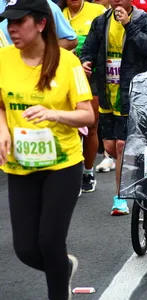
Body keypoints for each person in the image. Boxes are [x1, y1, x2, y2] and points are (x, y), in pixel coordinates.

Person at [0, 0, 94, 299]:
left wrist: (55, 114)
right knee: (25, 249)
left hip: (62, 165)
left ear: (41, 24)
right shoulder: (3, 58)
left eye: (19, 21)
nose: (11, 28)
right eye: (7, 22)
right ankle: (62, 268)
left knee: (51, 241)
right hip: (20, 165)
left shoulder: (67, 63)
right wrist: (2, 129)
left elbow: (88, 116)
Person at [80, 0, 147, 215]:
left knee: (121, 146)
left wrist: (128, 25)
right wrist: (85, 62)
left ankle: (120, 198)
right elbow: (88, 49)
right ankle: (133, 171)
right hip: (107, 93)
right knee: (109, 147)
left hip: (132, 93)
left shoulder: (145, 20)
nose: (116, 0)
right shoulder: (101, 22)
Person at [60, 0, 106, 193]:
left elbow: (106, 41)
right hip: (65, 75)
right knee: (70, 126)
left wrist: (88, 61)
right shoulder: (57, 13)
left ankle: (88, 172)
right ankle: (71, 173)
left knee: (91, 124)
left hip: (92, 73)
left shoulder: (97, 11)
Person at [0, 0, 78, 49]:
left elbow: (71, 40)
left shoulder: (46, 6)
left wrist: (39, 52)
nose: (11, 28)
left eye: (20, 21)